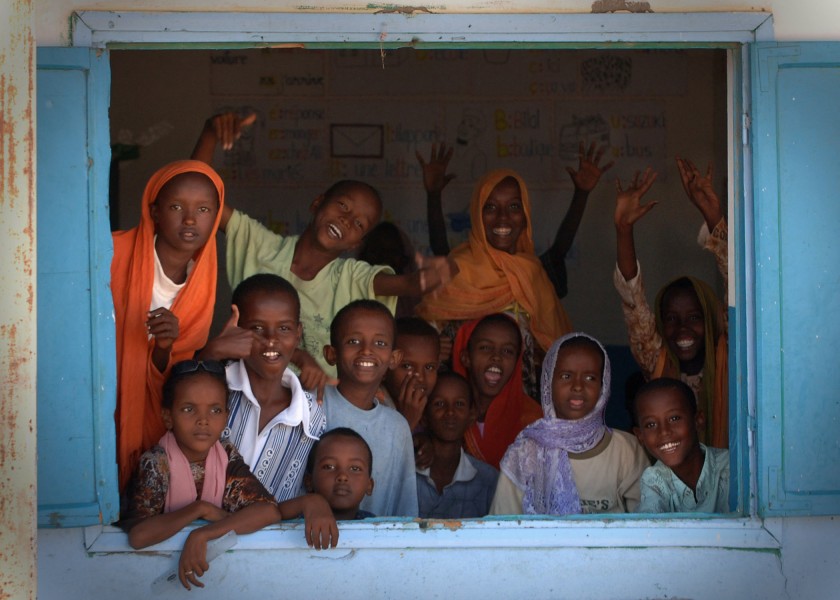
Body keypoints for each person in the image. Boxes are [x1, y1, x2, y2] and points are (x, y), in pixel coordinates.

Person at [192, 113, 456, 396]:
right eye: (343, 206)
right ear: (317, 203)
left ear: (358, 242)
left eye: (358, 224)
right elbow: (196, 196)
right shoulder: (261, 247)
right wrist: (210, 134)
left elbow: (410, 284)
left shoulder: (352, 277)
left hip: (319, 416)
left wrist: (437, 273)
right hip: (246, 399)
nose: (346, 220)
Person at [415, 142, 612, 396]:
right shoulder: (456, 269)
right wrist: (433, 196)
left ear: (525, 215)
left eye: (514, 207)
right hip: (461, 411)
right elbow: (425, 344)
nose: (503, 218)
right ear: (476, 213)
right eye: (491, 207)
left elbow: (559, 251)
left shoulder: (533, 275)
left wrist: (582, 194)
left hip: (525, 411)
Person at [112, 160, 225, 491]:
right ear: (155, 211)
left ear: (216, 217)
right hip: (97, 397)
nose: (190, 219)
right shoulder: (112, 253)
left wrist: (165, 347)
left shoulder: (202, 288)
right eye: (177, 206)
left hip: (150, 419)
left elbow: (171, 381)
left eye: (203, 209)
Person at [120, 360, 279, 590]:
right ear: (167, 417)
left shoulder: (225, 454)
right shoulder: (157, 462)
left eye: (214, 410)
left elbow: (268, 511)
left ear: (225, 416)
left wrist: (202, 534)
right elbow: (139, 536)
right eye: (188, 409)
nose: (203, 420)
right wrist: (199, 509)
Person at [613, 158, 728, 447]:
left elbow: (741, 282)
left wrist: (714, 216)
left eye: (694, 317)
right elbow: (632, 299)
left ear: (711, 319)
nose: (682, 330)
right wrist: (623, 230)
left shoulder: (731, 355)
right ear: (660, 325)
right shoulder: (656, 360)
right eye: (672, 319)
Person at [199, 274, 327, 503]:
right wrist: (212, 352)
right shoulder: (214, 386)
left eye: (284, 328)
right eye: (257, 328)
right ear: (236, 328)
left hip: (275, 538)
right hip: (199, 532)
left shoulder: (313, 417)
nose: (271, 340)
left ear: (298, 333)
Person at [490, 333, 650, 516]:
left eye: (590, 378)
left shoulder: (626, 450)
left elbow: (645, 526)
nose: (578, 386)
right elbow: (503, 524)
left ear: (604, 385)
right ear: (548, 382)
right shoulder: (525, 452)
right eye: (566, 376)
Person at [322, 300, 419, 517]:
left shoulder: (397, 427)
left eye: (380, 343)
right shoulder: (314, 406)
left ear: (394, 358)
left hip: (375, 547)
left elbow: (405, 508)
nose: (366, 350)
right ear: (331, 354)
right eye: (354, 341)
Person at [452, 314, 543, 470]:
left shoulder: (533, 422)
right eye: (485, 347)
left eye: (507, 351)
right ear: (466, 357)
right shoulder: (445, 408)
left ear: (517, 362)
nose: (496, 357)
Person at [631, 377, 730, 513]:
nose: (664, 432)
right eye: (651, 425)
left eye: (674, 418)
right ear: (640, 435)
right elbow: (650, 526)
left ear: (698, 421)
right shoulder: (654, 479)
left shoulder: (730, 467)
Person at [416, 372, 499, 519]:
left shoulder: (489, 480)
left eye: (459, 404)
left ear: (471, 415)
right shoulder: (406, 472)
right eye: (439, 404)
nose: (450, 412)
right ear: (424, 415)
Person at [381, 317, 442, 431]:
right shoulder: (373, 407)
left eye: (429, 367)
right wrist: (407, 421)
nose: (420, 377)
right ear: (383, 369)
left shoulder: (433, 407)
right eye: (407, 366)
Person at [305, 427, 376, 520]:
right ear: (309, 482)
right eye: (329, 467)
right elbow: (280, 513)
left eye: (355, 468)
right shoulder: (295, 523)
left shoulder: (382, 528)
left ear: (369, 485)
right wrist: (303, 503)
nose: (342, 476)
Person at [356, 221, 419, 319]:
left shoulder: (411, 296)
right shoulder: (358, 280)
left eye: (392, 251)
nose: (385, 256)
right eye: (378, 250)